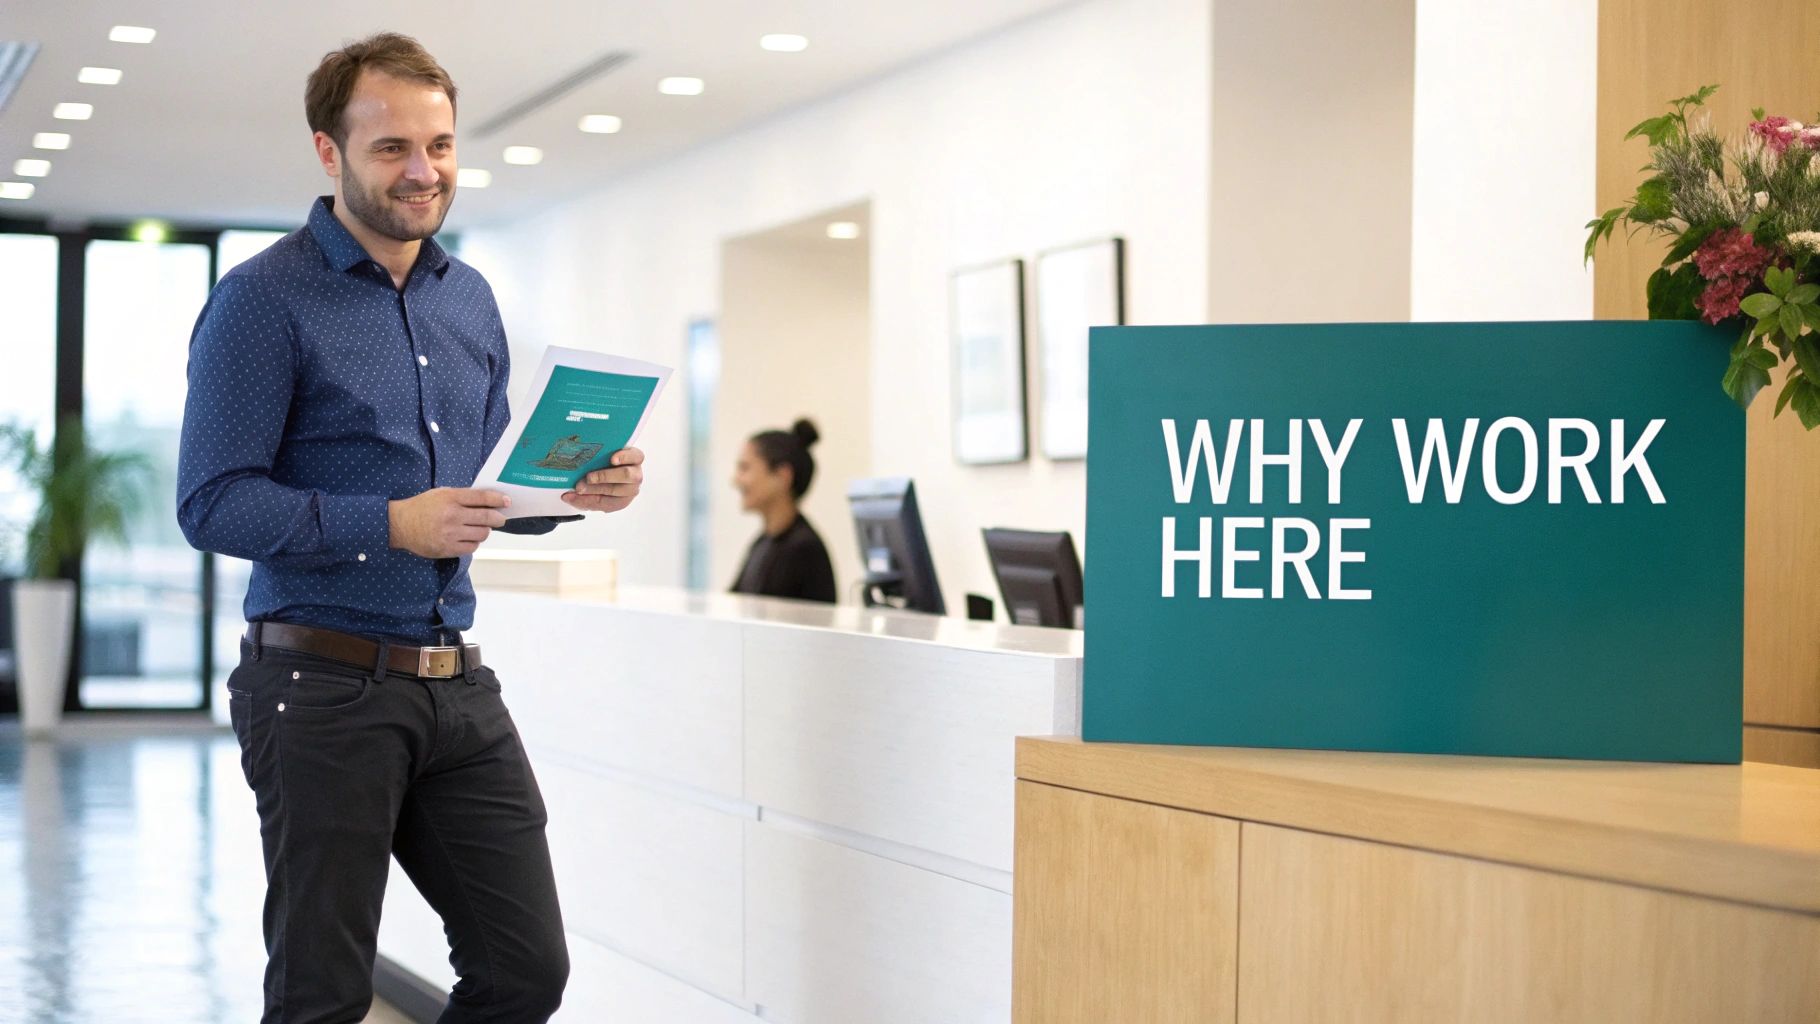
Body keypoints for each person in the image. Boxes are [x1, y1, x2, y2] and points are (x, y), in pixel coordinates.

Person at [174, 33, 643, 1024]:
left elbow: (478, 498)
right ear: (327, 151)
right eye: (391, 148)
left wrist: (571, 491)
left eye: (439, 144)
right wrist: (389, 522)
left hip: (454, 684)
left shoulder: (465, 298)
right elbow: (213, 502)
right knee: (322, 993)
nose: (423, 171)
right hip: (320, 685)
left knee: (526, 972)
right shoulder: (262, 299)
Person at [730, 419, 837, 603]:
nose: (735, 480)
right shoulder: (763, 542)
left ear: (783, 475)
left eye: (745, 468)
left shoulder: (804, 550)